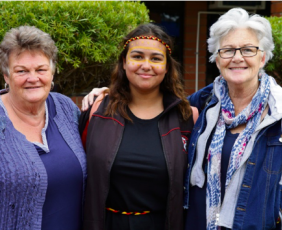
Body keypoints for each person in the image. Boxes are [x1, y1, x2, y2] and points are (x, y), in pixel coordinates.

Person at [79, 23, 196, 230]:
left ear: (167, 67)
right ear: (124, 62)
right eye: (138, 56)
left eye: (156, 58)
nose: (146, 65)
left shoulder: (186, 117)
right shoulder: (98, 110)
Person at [183, 8, 282, 230]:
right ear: (217, 59)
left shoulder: (281, 111)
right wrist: (107, 94)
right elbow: (153, 106)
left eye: (248, 49)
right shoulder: (203, 102)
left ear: (262, 57)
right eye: (228, 50)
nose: (237, 58)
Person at [0, 25, 87, 230]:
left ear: (52, 72)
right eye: (22, 71)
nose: (33, 78)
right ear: (6, 75)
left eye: (41, 69)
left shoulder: (65, 109)